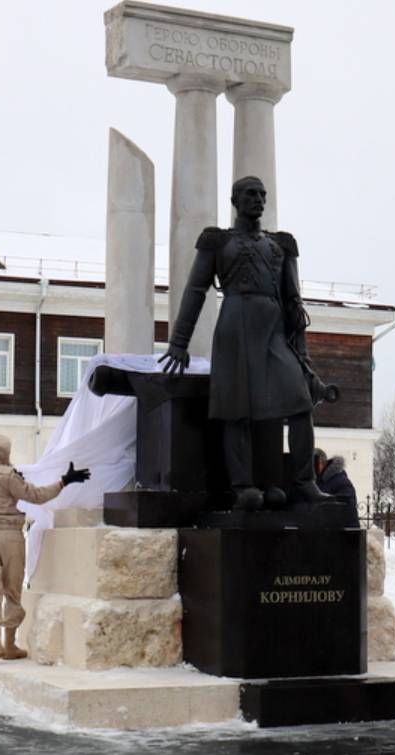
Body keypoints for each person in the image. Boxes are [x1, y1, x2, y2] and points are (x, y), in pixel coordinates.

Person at [159, 176, 332, 511]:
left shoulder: (281, 244)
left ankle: (304, 482)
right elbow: (195, 290)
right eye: (251, 194)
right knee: (236, 411)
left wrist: (303, 358)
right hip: (234, 327)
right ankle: (243, 486)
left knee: (300, 402)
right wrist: (179, 342)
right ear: (235, 199)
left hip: (273, 330)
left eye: (263, 195)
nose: (259, 200)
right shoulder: (217, 241)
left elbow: (294, 302)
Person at [0, 433, 90, 665]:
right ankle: (10, 644)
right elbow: (37, 496)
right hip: (11, 537)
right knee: (12, 591)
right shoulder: (10, 477)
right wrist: (64, 481)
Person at [314, 448, 359, 527]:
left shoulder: (340, 481)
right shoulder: (316, 481)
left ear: (322, 463)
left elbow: (346, 508)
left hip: (342, 533)